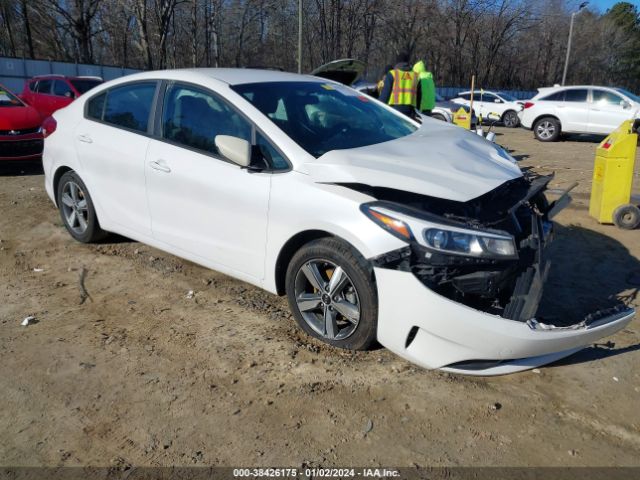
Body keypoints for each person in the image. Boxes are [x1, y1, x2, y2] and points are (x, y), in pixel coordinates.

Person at [378, 53, 421, 118]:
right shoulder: (415, 76)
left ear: (397, 62)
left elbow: (384, 96)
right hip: (410, 113)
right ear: (408, 62)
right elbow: (419, 96)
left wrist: (378, 109)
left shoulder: (392, 74)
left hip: (394, 112)